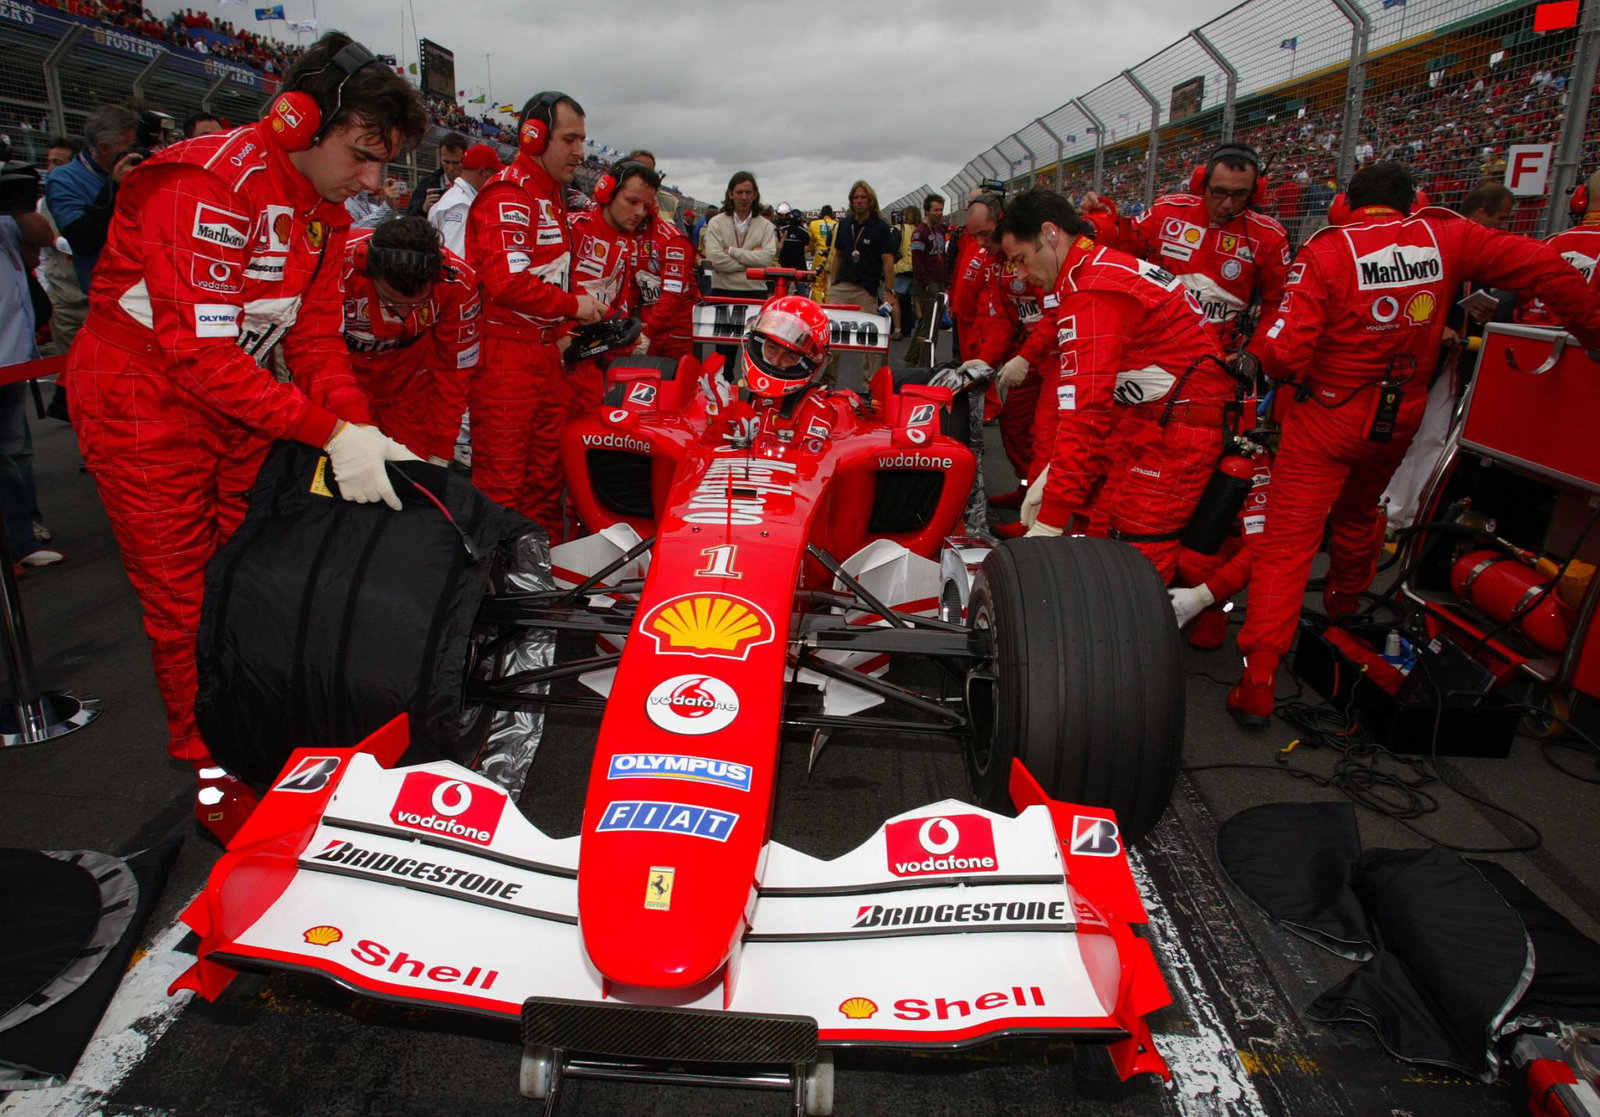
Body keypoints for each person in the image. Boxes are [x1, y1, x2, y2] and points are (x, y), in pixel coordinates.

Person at [67, 33, 428, 842]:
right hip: (144, 401)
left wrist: (359, 427)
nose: (373, 180)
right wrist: (327, 428)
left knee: (251, 574)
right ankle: (211, 771)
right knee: (184, 595)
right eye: (364, 154)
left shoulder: (324, 214)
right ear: (299, 120)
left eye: (384, 163)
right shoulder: (203, 184)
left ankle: (255, 723)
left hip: (242, 401)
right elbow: (197, 352)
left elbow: (316, 342)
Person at [1227, 163, 1600, 725]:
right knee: (1358, 514)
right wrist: (1591, 333)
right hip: (1400, 416)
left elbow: (1283, 352)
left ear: (1345, 206)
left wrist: (1257, 355)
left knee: (1289, 542)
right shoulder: (1445, 233)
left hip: (1328, 416)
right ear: (1414, 201)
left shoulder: (1329, 250)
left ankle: (1258, 679)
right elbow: (1545, 263)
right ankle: (1344, 610)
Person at [996, 188, 1231, 582]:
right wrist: (1057, 475)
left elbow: (1084, 415)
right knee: (1103, 531)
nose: (1019, 274)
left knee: (1135, 562)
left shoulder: (1093, 290)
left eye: (1020, 259)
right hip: (1153, 419)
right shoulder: (1095, 267)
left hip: (1178, 430)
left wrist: (1051, 520)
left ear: (1051, 234)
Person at [464, 90, 605, 539]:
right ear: (534, 135)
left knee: (545, 481)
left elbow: (550, 277)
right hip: (506, 357)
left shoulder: (551, 197)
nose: (580, 153)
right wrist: (573, 308)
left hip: (546, 356)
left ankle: (537, 586)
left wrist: (564, 327)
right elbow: (507, 283)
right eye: (570, 139)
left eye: (583, 140)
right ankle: (489, 597)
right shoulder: (509, 192)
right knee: (502, 484)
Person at [1083, 143, 1291, 351]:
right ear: (1202, 184)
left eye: (1239, 195)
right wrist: (1100, 220)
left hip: (1218, 354)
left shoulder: (1269, 237)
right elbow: (1119, 246)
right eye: (1219, 192)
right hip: (1152, 343)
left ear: (1255, 193)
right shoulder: (1167, 213)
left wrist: (1253, 356)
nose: (1227, 203)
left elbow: (1279, 305)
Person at [342, 216, 480, 463]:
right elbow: (311, 350)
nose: (404, 314)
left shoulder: (457, 281)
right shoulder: (337, 264)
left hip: (408, 383)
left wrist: (441, 449)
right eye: (392, 302)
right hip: (342, 378)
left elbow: (453, 370)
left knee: (414, 469)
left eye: (415, 304)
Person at [0, 191, 65, 572]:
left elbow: (41, 238)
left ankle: (22, 537)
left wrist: (18, 202)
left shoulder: (10, 220)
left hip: (13, 354)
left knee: (15, 452)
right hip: (9, 355)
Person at [567, 159, 660, 416]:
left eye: (646, 206)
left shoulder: (627, 243)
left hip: (594, 359)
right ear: (607, 192)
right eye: (632, 202)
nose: (640, 212)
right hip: (559, 355)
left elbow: (620, 298)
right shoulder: (573, 229)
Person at [43, 104, 142, 292]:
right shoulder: (64, 179)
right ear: (104, 148)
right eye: (129, 148)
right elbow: (83, 241)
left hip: (144, 281)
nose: (133, 153)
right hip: (107, 292)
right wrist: (115, 187)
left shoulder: (135, 170)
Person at [700, 171, 776, 372]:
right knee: (723, 355)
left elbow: (766, 258)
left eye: (748, 192)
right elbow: (715, 260)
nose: (744, 197)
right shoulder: (717, 222)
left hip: (755, 293)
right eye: (739, 192)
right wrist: (751, 259)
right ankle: (721, 395)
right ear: (730, 194)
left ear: (755, 194)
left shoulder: (766, 225)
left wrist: (732, 251)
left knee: (756, 353)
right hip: (723, 292)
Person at [826, 180, 898, 387]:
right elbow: (838, 255)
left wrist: (890, 291)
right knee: (831, 338)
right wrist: (834, 283)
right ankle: (828, 381)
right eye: (855, 197)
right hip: (841, 287)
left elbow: (888, 261)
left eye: (863, 197)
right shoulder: (845, 224)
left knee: (871, 341)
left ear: (870, 200)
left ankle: (871, 386)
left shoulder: (881, 227)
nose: (859, 201)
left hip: (866, 290)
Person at [638, 191, 700, 363]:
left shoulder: (673, 240)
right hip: (648, 320)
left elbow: (672, 295)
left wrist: (647, 331)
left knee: (674, 381)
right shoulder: (632, 236)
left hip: (675, 327)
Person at [427, 142, 499, 256]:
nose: (497, 179)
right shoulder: (461, 206)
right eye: (495, 174)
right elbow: (456, 261)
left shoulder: (457, 198)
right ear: (481, 172)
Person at [905, 193, 948, 366]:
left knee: (928, 323)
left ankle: (912, 357)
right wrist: (926, 283)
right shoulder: (920, 233)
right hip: (927, 284)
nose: (939, 213)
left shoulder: (939, 230)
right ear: (927, 210)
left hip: (939, 282)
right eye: (935, 210)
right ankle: (925, 360)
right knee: (929, 326)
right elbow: (917, 263)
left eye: (941, 210)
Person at [406, 132, 467, 216]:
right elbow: (409, 219)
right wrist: (423, 208)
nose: (451, 168)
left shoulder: (474, 185)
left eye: (456, 163)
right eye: (446, 162)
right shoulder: (427, 184)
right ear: (440, 156)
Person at [891, 205, 917, 341]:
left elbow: (892, 248)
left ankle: (897, 329)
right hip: (917, 269)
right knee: (916, 301)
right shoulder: (920, 229)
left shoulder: (899, 229)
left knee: (894, 300)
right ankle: (921, 331)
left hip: (902, 268)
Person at [807, 204, 836, 301]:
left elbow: (811, 242)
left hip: (819, 255)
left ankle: (817, 304)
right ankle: (829, 304)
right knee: (829, 282)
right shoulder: (836, 224)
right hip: (832, 256)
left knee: (816, 282)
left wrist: (812, 252)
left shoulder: (813, 224)